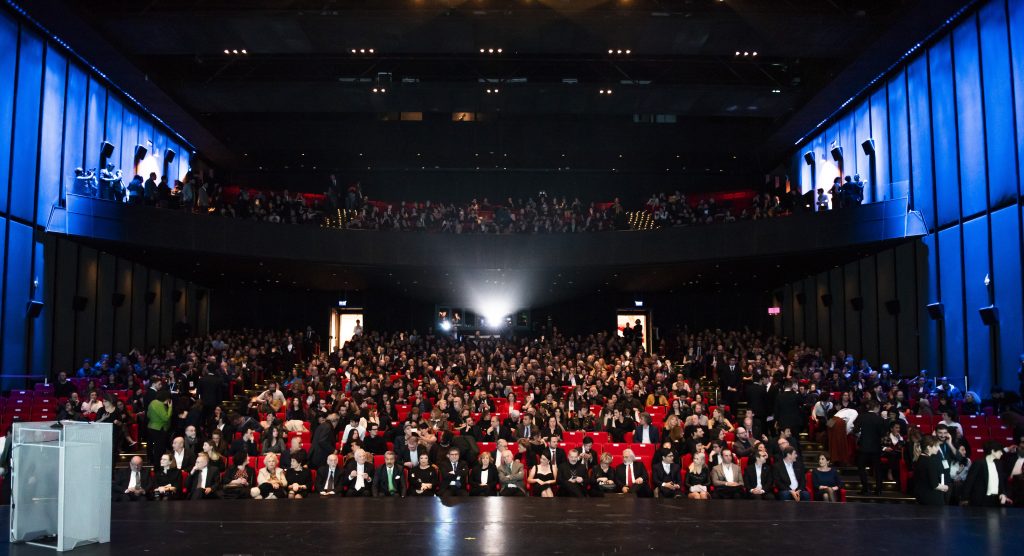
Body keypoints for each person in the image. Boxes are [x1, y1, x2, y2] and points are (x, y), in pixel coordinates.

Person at [962, 441, 1013, 507]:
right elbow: (970, 481)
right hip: (981, 501)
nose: (1001, 453)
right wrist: (965, 498)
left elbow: (1000, 481)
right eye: (1000, 451)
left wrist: (1003, 493)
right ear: (993, 451)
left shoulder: (999, 464)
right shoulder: (979, 463)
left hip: (996, 500)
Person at [854, 402, 886, 495]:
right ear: (877, 407)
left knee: (861, 467)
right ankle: (879, 490)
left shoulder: (861, 416)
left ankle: (865, 488)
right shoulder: (880, 419)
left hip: (864, 447)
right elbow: (883, 434)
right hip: (876, 448)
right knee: (877, 469)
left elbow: (855, 430)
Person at [915, 436, 950, 506]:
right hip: (931, 498)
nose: (938, 449)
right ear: (928, 447)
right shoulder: (930, 461)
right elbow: (935, 485)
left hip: (921, 496)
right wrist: (946, 487)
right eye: (936, 446)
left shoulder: (920, 458)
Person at [146, 389, 172, 465]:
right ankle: (158, 465)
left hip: (151, 426)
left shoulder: (152, 402)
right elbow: (166, 417)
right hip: (159, 429)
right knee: (159, 449)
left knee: (152, 446)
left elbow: (148, 415)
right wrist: (170, 407)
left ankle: (152, 461)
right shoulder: (160, 404)